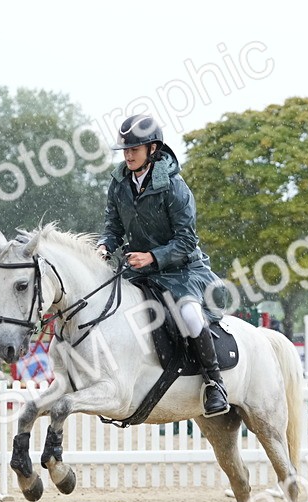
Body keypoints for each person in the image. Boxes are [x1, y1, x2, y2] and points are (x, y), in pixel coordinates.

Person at [96, 113, 229, 417]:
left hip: (182, 270)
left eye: (134, 150)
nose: (128, 155)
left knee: (190, 315)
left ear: (152, 149)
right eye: (125, 150)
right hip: (140, 270)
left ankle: (214, 383)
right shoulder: (119, 184)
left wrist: (153, 257)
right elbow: (113, 227)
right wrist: (105, 245)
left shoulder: (174, 187)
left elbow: (185, 241)